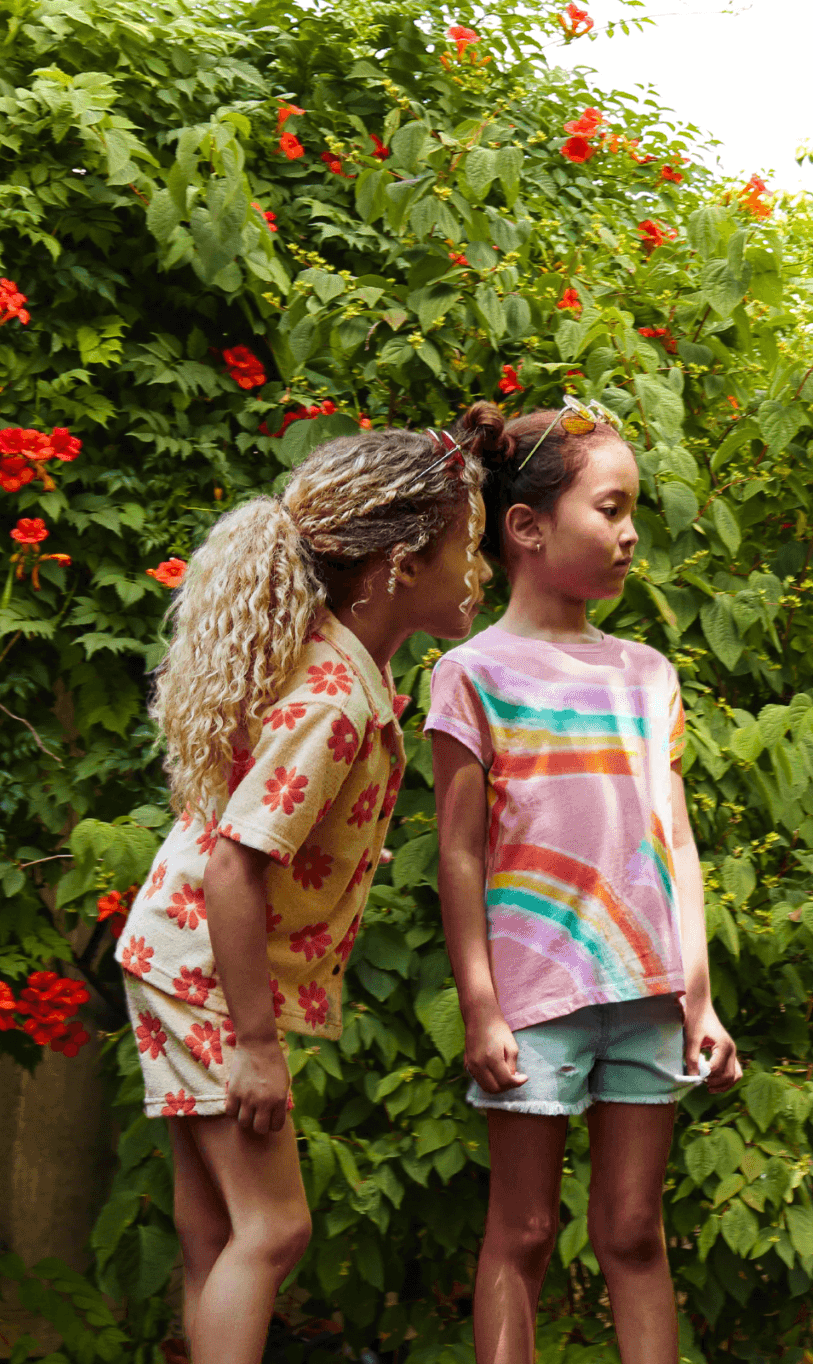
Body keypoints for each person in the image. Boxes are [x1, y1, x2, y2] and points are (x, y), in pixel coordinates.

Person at [115, 423, 490, 1364]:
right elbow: (238, 864)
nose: (477, 569)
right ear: (400, 565)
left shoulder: (339, 664)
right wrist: (253, 1044)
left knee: (218, 1233)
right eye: (466, 548)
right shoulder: (333, 699)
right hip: (205, 969)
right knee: (275, 1230)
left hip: (176, 953)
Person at [425, 398, 740, 1364]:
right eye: (610, 509)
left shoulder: (648, 675)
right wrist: (482, 1007)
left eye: (632, 510)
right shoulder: (472, 672)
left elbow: (674, 839)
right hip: (536, 1002)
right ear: (526, 527)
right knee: (519, 1235)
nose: (630, 532)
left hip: (645, 994)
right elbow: (460, 854)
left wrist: (700, 1001)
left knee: (634, 1234)